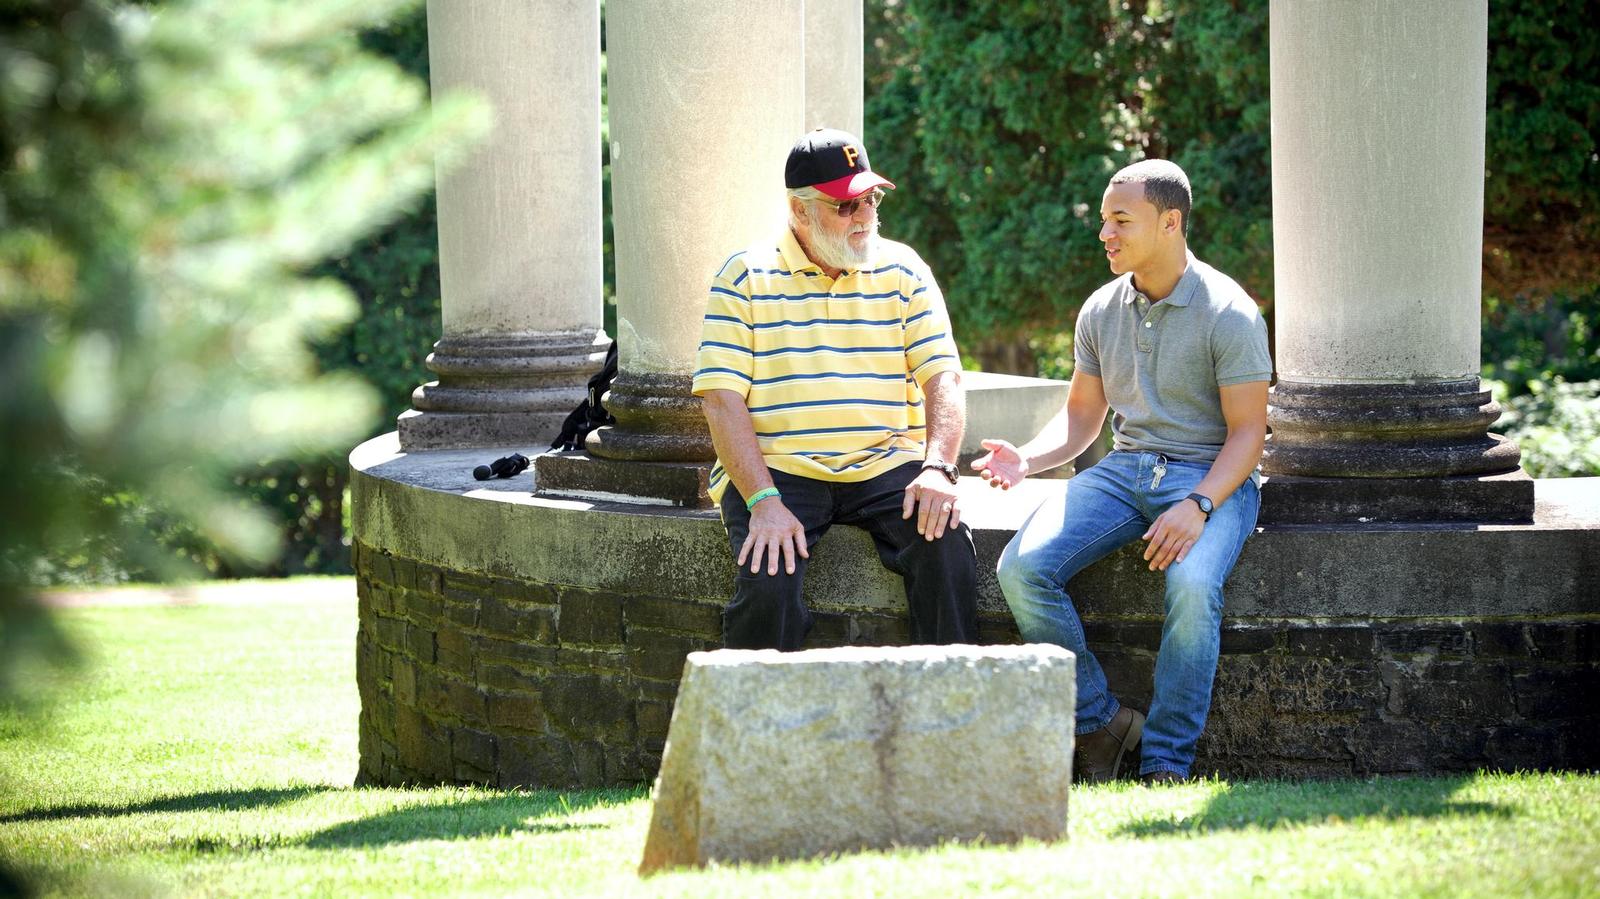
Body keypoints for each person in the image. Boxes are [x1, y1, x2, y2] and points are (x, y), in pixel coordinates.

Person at [975, 159, 1271, 784]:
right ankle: (1100, 722)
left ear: (1170, 222)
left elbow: (1248, 434)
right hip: (1124, 470)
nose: (1104, 233)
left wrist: (1199, 505)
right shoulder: (1100, 309)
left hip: (1211, 476)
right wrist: (1027, 458)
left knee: (1193, 586)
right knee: (1021, 569)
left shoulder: (1230, 313)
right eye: (1105, 220)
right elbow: (1082, 417)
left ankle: (1165, 762)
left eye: (1120, 220)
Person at [691, 128, 978, 650]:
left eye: (870, 199)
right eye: (845, 206)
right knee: (768, 581)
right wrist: (762, 500)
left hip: (886, 462)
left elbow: (943, 376)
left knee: (947, 546)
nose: (864, 216)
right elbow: (720, 400)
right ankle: (754, 704)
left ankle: (952, 696)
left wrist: (938, 467)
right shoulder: (744, 276)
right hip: (779, 467)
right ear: (799, 210)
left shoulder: (904, 268)